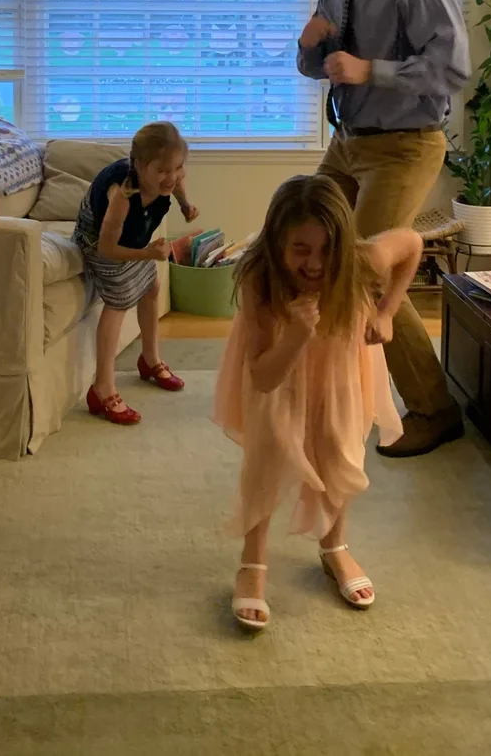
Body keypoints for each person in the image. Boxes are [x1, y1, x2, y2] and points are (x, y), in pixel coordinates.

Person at [297, 0, 471, 457]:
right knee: (302, 234)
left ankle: (433, 409)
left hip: (405, 144)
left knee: (367, 270)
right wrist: (308, 48)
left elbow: (451, 68)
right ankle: (321, 372)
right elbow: (323, 67)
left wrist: (371, 71)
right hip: (348, 141)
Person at [214, 175, 414, 631]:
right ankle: (253, 562)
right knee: (267, 456)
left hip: (343, 368)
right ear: (276, 241)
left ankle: (334, 547)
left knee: (340, 449)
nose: (315, 264)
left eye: (326, 250)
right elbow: (262, 377)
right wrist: (298, 336)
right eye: (300, 249)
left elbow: (412, 245)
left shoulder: (362, 260)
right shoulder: (259, 276)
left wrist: (386, 312)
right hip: (279, 370)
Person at [74, 121, 199, 425]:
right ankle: (102, 388)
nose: (172, 177)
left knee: (152, 285)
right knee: (119, 302)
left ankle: (150, 359)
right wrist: (147, 254)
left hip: (133, 238)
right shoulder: (122, 197)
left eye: (178, 168)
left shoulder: (168, 175)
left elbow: (176, 181)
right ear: (141, 166)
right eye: (163, 171)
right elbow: (106, 248)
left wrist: (184, 205)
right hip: (98, 240)